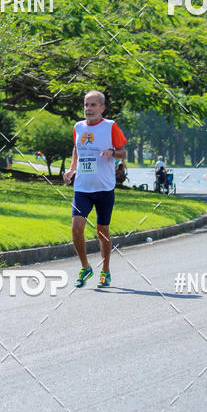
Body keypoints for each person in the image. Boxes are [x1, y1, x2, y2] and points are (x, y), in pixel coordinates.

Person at [63, 91, 127, 288]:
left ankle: (105, 270)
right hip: (82, 188)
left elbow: (123, 152)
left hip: (104, 188)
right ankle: (85, 267)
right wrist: (72, 169)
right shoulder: (78, 127)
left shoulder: (110, 126)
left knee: (102, 232)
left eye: (93, 105)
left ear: (102, 108)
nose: (88, 109)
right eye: (86, 105)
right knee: (76, 228)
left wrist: (112, 152)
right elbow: (76, 148)